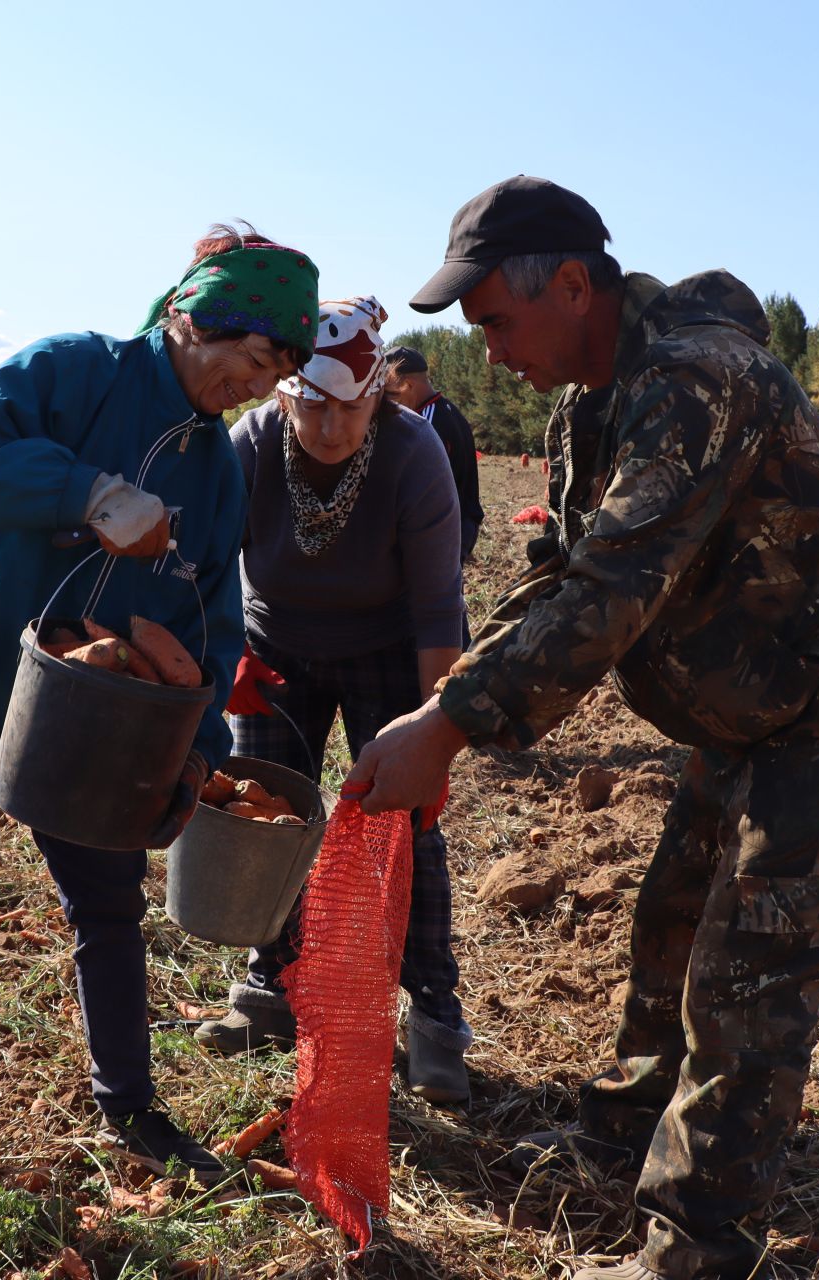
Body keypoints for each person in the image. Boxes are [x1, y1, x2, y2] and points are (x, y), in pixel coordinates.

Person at [346, 177, 819, 1280]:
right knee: (671, 915)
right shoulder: (589, 404)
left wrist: (451, 727)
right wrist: (439, 705)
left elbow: (613, 592)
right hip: (744, 692)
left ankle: (694, 1248)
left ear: (572, 285)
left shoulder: (698, 379)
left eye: (497, 323)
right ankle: (634, 1119)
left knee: (754, 962)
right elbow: (559, 571)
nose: (490, 350)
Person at [0, 224, 319, 1192]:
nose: (252, 388)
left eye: (273, 374)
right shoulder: (72, 372)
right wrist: (86, 491)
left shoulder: (214, 466)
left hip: (91, 701)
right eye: (248, 359)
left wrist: (193, 749)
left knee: (109, 902)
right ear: (186, 316)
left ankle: (130, 1103)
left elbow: (206, 619)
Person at [191, 296, 474, 1105]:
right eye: (314, 405)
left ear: (379, 393)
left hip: (388, 648)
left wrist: (435, 733)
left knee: (405, 827)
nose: (332, 426)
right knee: (267, 820)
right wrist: (225, 657)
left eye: (352, 406)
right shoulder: (248, 448)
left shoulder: (414, 457)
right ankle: (271, 989)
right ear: (284, 394)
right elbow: (209, 565)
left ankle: (434, 1018)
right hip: (274, 649)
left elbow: (436, 609)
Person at [382, 344, 484, 562]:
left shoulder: (425, 424)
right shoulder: (447, 411)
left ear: (408, 385)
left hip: (440, 532)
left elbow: (418, 491)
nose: (389, 402)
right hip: (458, 526)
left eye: (391, 394)